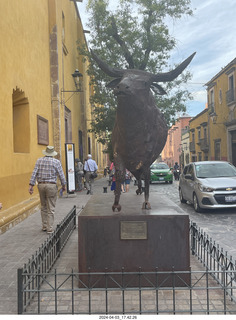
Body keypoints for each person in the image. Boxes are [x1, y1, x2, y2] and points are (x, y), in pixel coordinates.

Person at [28, 146, 66, 234]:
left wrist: (31, 185)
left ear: (45, 153)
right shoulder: (56, 162)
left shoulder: (39, 160)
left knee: (43, 206)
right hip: (51, 186)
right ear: (52, 154)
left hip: (41, 185)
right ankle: (50, 228)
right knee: (51, 207)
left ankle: (44, 226)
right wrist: (64, 185)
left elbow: (34, 173)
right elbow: (61, 174)